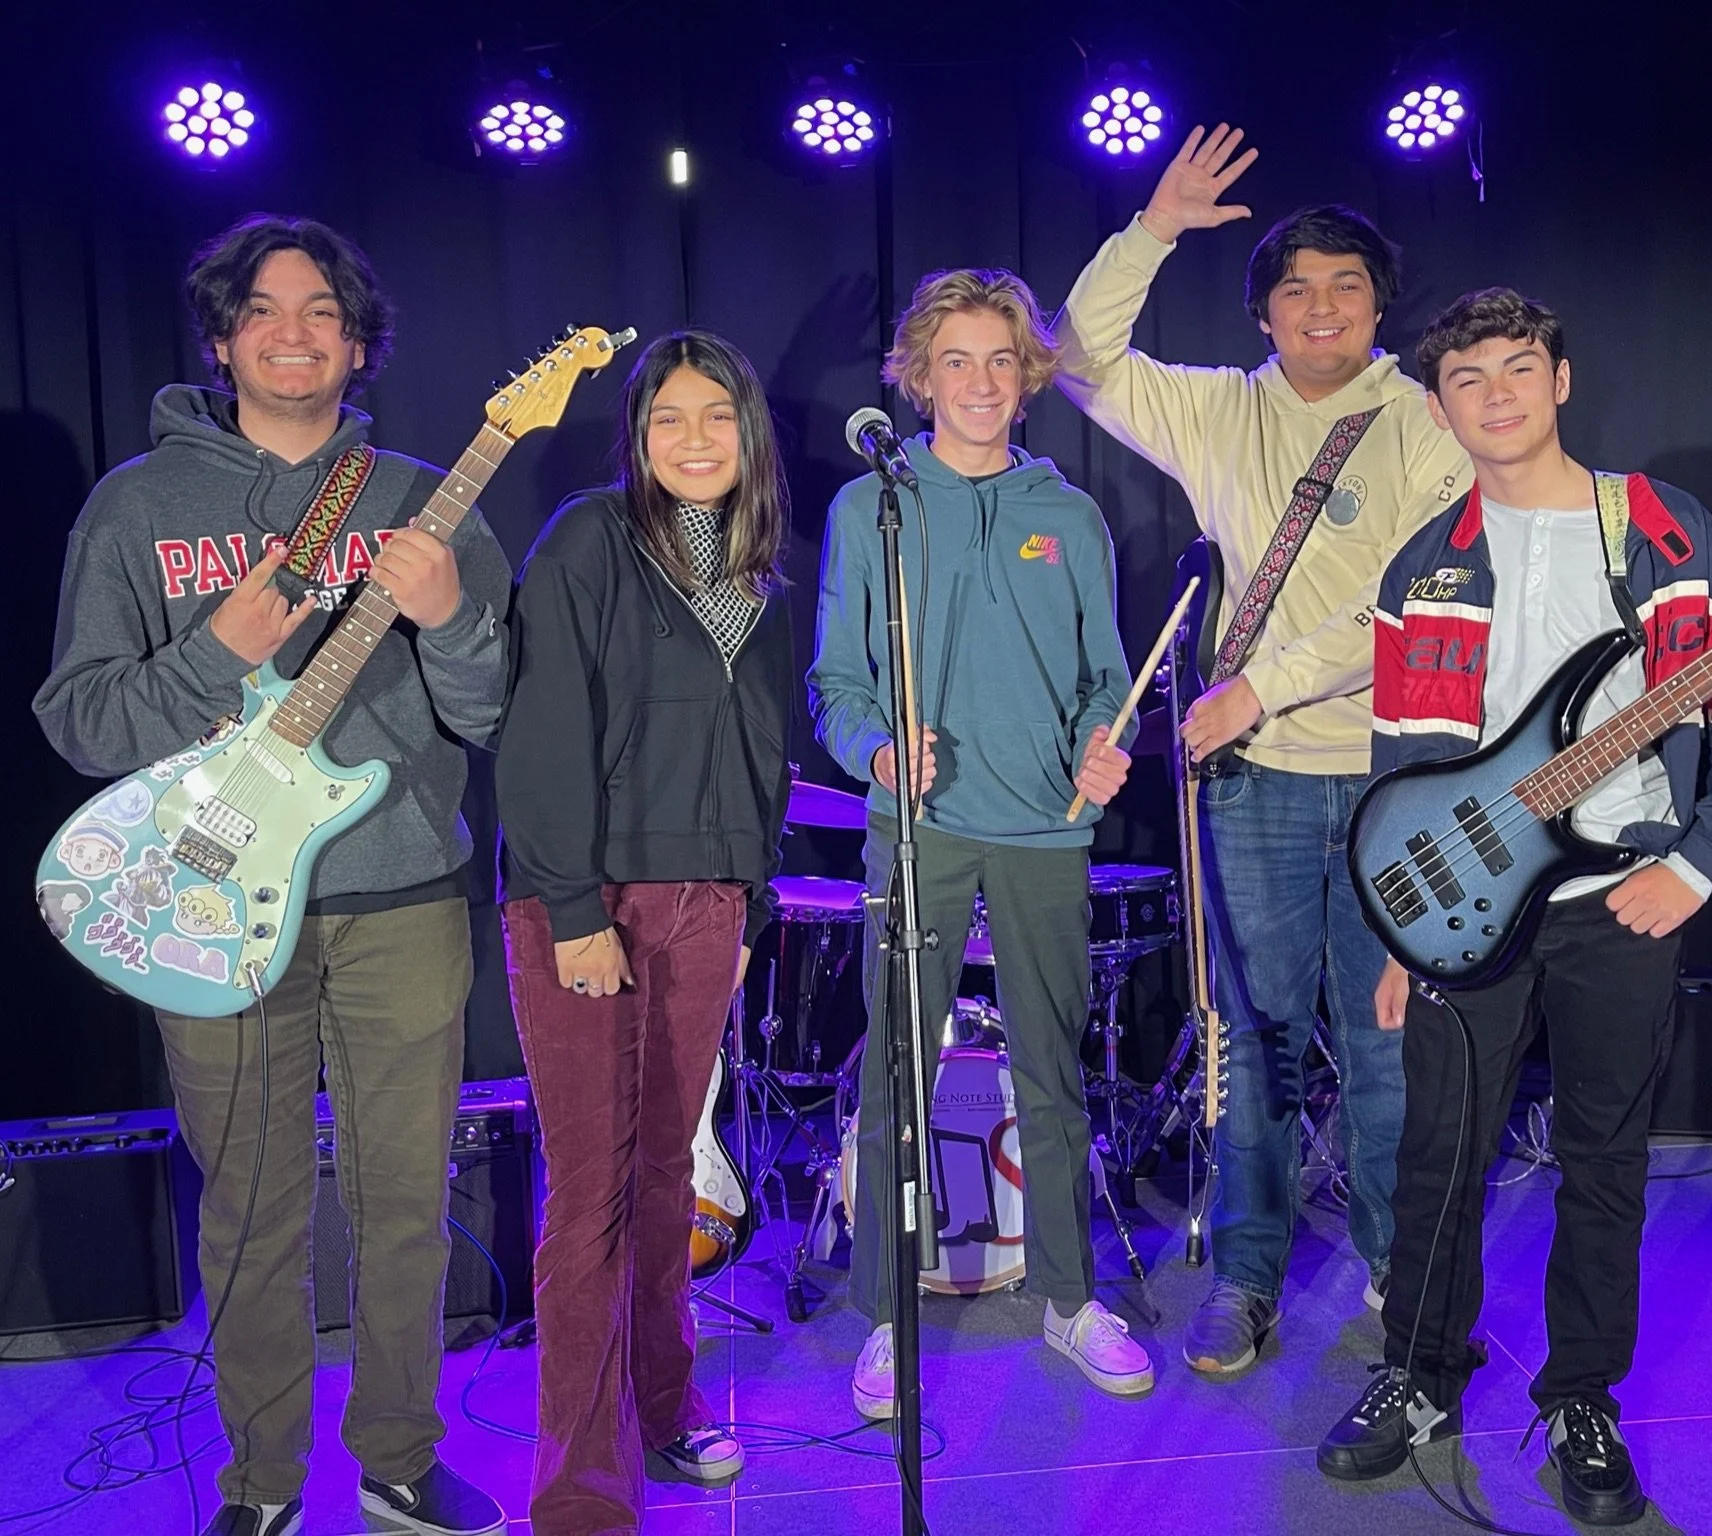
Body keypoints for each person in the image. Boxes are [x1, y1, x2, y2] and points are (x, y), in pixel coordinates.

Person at [33, 215, 511, 1536]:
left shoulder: (430, 495)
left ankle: (401, 1459)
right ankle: (261, 1485)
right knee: (250, 1211)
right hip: (202, 898)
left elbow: (484, 709)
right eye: (263, 309)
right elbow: (79, 721)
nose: (291, 332)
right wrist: (213, 653)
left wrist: (451, 620)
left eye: (319, 312)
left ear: (359, 342)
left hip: (401, 896)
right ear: (224, 334)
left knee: (406, 1206)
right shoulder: (137, 508)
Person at [1315, 289, 1712, 1525]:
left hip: (1617, 902)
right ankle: (1420, 1374)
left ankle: (1581, 1392)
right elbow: (1406, 768)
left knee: (1604, 1160)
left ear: (1562, 379)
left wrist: (1698, 864)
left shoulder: (1663, 532)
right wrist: (1401, 925)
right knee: (1440, 1154)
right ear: (1440, 407)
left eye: (1519, 366)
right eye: (1469, 376)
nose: (1497, 391)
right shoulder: (1422, 563)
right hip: (1467, 913)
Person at [1055, 124, 1473, 1374]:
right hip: (1257, 790)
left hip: (1399, 776)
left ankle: (1402, 1274)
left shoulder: (1424, 420)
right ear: (1266, 315)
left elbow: (1411, 600)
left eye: (1348, 284)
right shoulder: (1218, 412)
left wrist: (1263, 687)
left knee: (1391, 1045)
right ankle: (1246, 1278)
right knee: (1258, 1036)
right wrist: (1155, 228)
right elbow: (1076, 359)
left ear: (1379, 305)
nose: (1323, 305)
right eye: (1298, 286)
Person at [809, 268, 1153, 1415]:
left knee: (1052, 1078)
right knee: (895, 1084)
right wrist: (873, 752)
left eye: (1001, 360)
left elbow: (1110, 676)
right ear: (917, 376)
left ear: (1029, 376)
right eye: (955, 360)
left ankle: (1067, 1296)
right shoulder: (872, 506)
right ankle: (885, 1318)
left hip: (1048, 832)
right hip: (917, 832)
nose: (980, 382)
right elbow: (836, 679)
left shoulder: (1069, 515)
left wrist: (1111, 740)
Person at [494, 331, 794, 1534]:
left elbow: (754, 746)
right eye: (666, 418)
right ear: (635, 435)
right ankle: (578, 1492)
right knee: (593, 1198)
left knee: (670, 1179)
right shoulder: (587, 539)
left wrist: (749, 887)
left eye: (714, 415)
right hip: (591, 907)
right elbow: (543, 731)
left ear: (748, 431)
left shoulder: (764, 567)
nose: (693, 439)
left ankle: (663, 1410)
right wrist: (573, 911)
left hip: (709, 901)